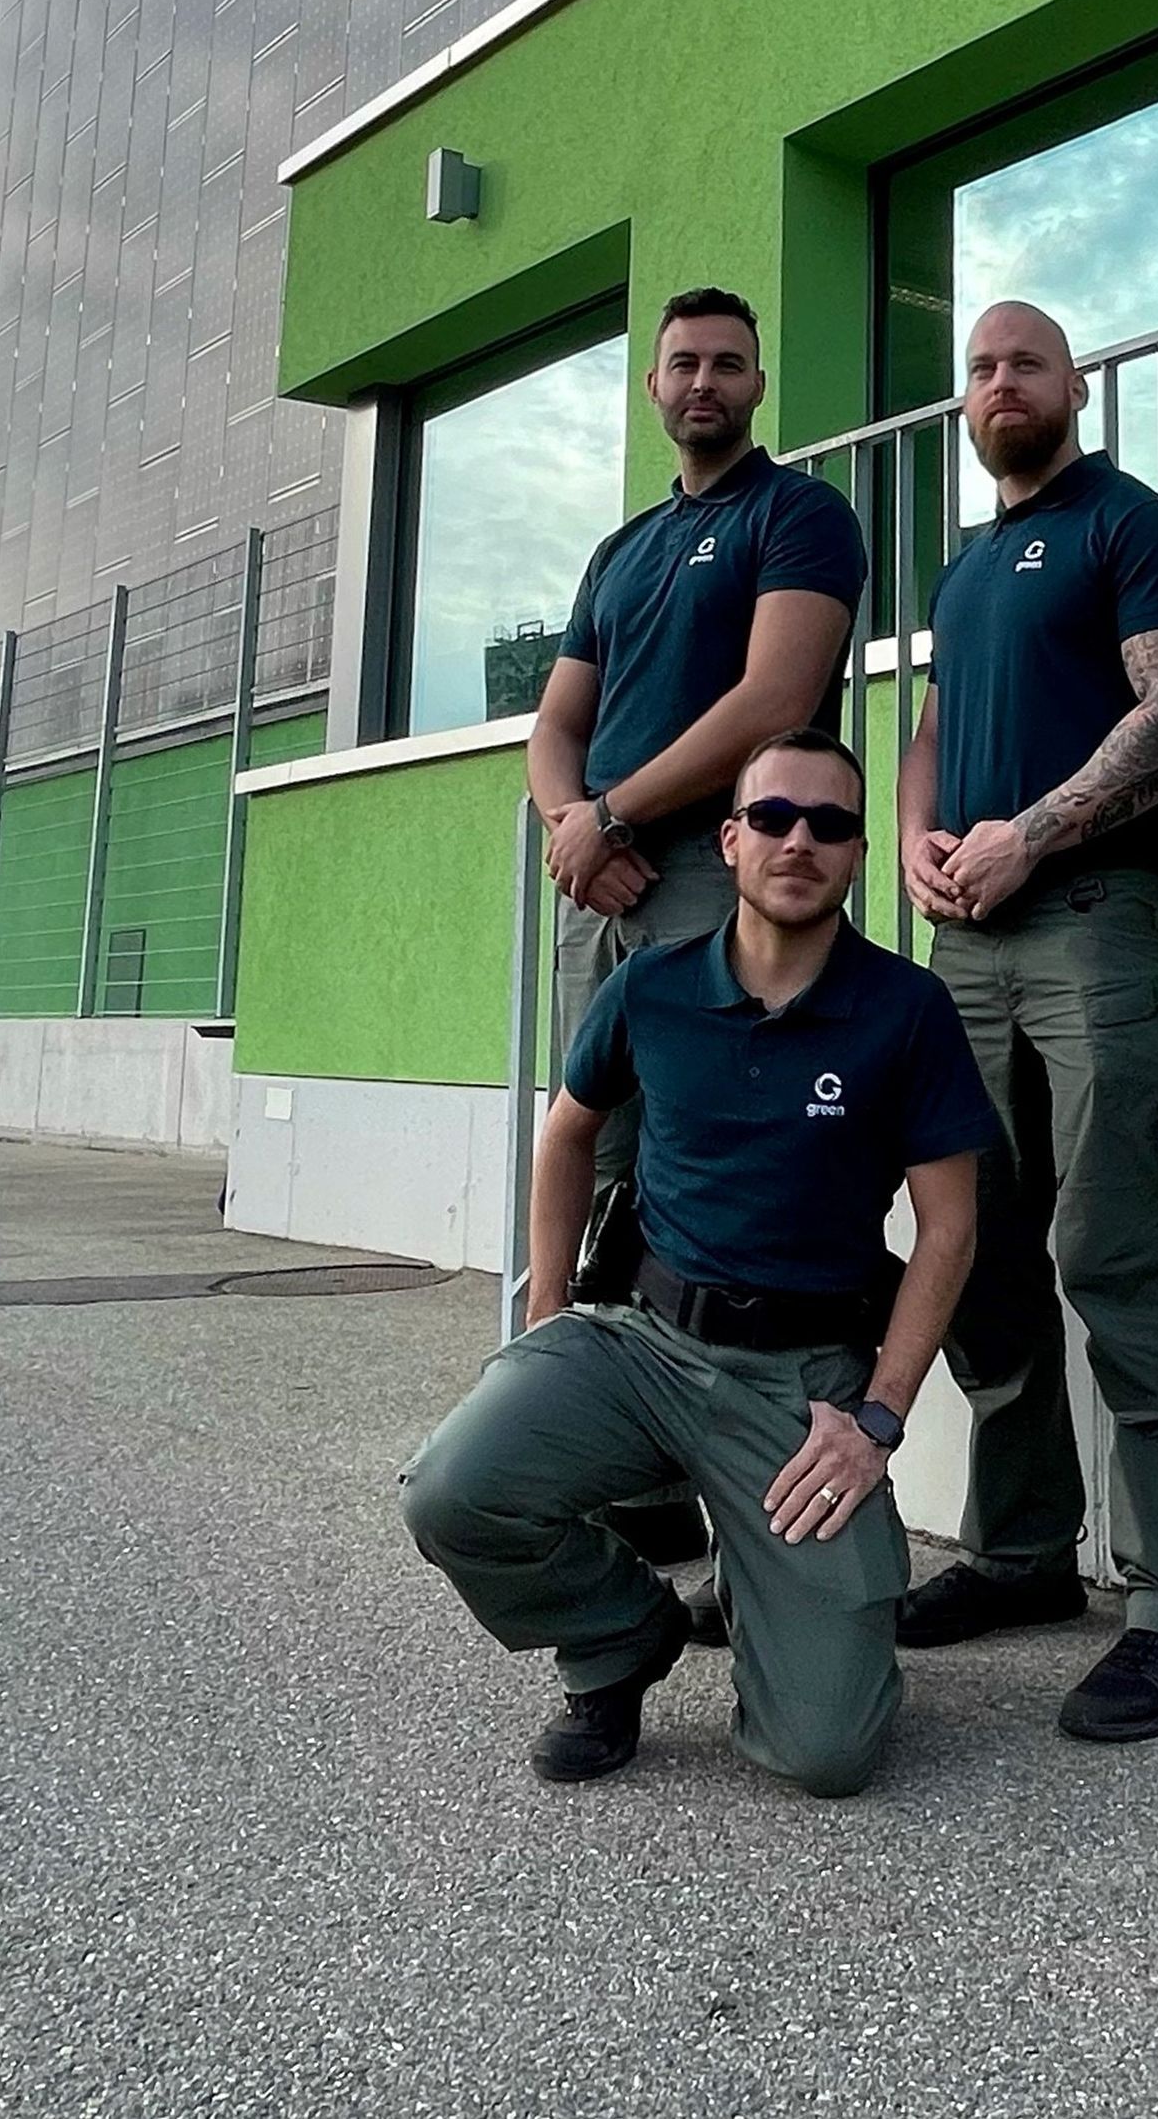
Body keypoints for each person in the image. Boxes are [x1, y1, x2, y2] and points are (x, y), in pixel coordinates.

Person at [400, 730, 996, 1797]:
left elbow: (948, 1227)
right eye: (771, 817)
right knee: (453, 1491)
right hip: (643, 1341)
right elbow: (566, 1133)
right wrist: (545, 1311)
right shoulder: (650, 988)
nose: (798, 840)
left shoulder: (907, 1012)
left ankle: (769, 1584)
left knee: (825, 1754)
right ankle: (617, 1636)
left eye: (830, 823)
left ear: (859, 852)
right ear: (728, 841)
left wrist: (877, 1421)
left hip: (799, 1384)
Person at [889, 300, 1158, 1744]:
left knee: (1117, 1255)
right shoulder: (968, 567)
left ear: (1073, 386)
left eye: (1024, 362)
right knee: (975, 1257)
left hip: (1100, 928)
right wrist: (916, 837)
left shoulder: (1137, 527)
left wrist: (1032, 833)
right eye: (978, 370)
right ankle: (1022, 1553)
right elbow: (932, 726)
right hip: (967, 944)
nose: (998, 385)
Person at [525, 285, 864, 1576]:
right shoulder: (618, 555)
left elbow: (775, 696)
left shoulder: (798, 516)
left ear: (758, 386)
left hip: (720, 885)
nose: (705, 382)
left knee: (730, 1180)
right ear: (654, 388)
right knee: (601, 1163)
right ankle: (615, 1473)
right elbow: (555, 721)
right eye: (683, 364)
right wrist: (573, 824)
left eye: (729, 363)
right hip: (601, 887)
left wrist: (608, 814)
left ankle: (749, 1526)